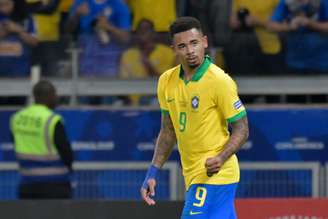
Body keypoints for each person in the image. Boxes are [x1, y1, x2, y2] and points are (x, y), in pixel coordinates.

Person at [140, 17, 249, 219]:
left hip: (217, 173)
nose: (190, 51)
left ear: (204, 42)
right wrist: (153, 172)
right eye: (182, 46)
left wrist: (220, 157)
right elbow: (168, 130)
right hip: (192, 175)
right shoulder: (166, 81)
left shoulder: (220, 81)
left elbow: (242, 129)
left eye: (194, 43)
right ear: (174, 49)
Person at [10, 80, 74, 199]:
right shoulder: (52, 120)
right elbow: (66, 152)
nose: (57, 98)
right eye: (55, 94)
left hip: (27, 184)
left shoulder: (17, 118)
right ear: (48, 96)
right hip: (55, 186)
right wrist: (69, 168)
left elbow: (16, 143)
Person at [67, 0, 131, 76]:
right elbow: (69, 30)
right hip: (85, 59)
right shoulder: (80, 2)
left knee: (108, 86)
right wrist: (76, 14)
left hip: (109, 61)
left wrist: (109, 27)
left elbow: (126, 38)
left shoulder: (119, 5)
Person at [119, 19, 176, 105]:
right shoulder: (127, 55)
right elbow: (122, 84)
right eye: (140, 31)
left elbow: (165, 84)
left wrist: (147, 64)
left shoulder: (167, 53)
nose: (143, 34)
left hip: (157, 102)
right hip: (132, 105)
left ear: (154, 34)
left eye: (146, 30)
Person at [268, 0, 328, 73]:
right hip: (295, 62)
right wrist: (290, 27)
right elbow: (271, 26)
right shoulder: (286, 3)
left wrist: (310, 24)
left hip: (322, 62)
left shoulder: (323, 2)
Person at [0, 0, 38, 77]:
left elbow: (34, 42)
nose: (2, 8)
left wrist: (18, 30)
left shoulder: (27, 18)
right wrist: (4, 32)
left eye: (6, 4)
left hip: (20, 70)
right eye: (0, 4)